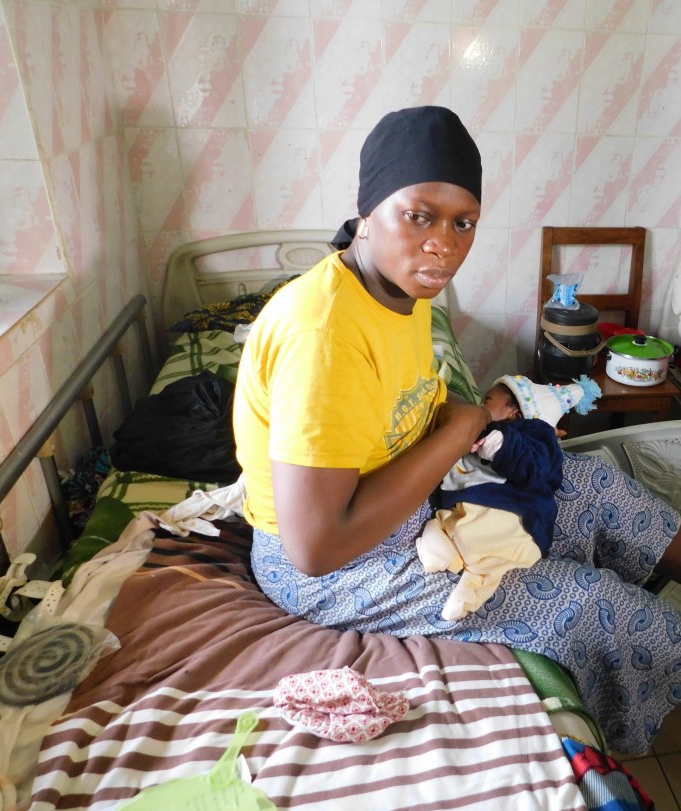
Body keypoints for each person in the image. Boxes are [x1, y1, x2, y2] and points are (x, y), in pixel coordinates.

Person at [232, 105, 681, 755]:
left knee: (595, 488)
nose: (443, 242)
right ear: (368, 213)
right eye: (420, 215)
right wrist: (461, 426)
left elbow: (412, 401)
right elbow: (315, 547)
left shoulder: (402, 293)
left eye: (462, 221)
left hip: (407, 495)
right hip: (334, 565)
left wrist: (477, 413)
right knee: (589, 605)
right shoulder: (324, 332)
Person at [416, 374, 601, 621]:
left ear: (515, 414)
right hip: (467, 507)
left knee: (492, 555)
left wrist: (502, 445)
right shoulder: (481, 430)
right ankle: (447, 553)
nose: (480, 406)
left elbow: (536, 468)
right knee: (439, 525)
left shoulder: (533, 433)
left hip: (513, 516)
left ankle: (473, 587)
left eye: (487, 400)